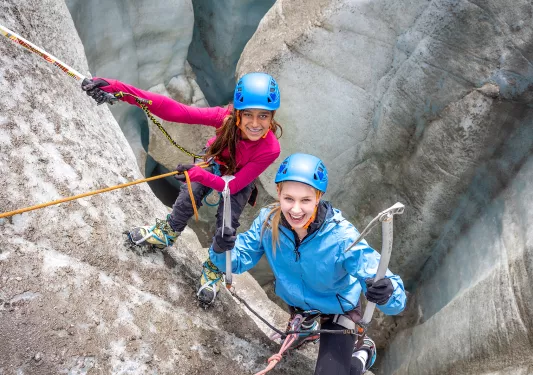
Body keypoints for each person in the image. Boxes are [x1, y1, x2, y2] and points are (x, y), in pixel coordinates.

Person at [81, 72, 282, 305]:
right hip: (214, 162)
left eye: (263, 116)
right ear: (238, 113)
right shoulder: (225, 118)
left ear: (271, 116)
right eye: (248, 114)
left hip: (238, 178)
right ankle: (167, 233)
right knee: (190, 194)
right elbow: (176, 110)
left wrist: (197, 174)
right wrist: (118, 88)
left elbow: (234, 184)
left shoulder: (271, 148)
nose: (255, 123)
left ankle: (215, 267)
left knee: (226, 228)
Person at [207, 153, 407, 374]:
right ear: (279, 194)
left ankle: (363, 352)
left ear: (318, 197)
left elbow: (393, 295)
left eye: (305, 200)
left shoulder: (342, 237)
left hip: (338, 310)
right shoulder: (268, 221)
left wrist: (388, 294)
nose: (295, 209)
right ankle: (306, 326)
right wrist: (220, 249)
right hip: (299, 305)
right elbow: (237, 260)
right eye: (289, 199)